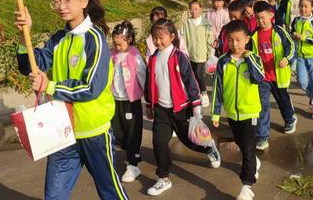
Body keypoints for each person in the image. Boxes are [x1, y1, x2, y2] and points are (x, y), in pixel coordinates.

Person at [15, 0, 129, 200]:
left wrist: (50, 86)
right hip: (62, 133)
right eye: (57, 1)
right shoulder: (58, 39)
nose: (61, 7)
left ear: (84, 2)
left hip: (94, 133)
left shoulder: (94, 39)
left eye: (68, 0)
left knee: (110, 193)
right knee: (54, 196)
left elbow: (91, 87)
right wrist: (23, 34)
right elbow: (31, 65)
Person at [145, 18, 221, 196]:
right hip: (161, 110)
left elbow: (190, 80)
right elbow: (150, 83)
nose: (158, 41)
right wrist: (149, 104)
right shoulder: (153, 59)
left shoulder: (179, 57)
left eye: (162, 37)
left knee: (190, 141)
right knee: (158, 142)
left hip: (181, 108)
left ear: (172, 36)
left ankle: (209, 148)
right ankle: (163, 178)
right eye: (155, 37)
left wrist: (196, 104)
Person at [211, 20, 264, 200]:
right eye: (231, 40)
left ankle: (246, 186)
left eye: (239, 40)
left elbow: (258, 78)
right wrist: (216, 112)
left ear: (247, 39)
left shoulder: (253, 58)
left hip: (250, 112)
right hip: (232, 113)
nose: (235, 44)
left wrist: (248, 57)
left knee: (248, 149)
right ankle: (254, 163)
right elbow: (217, 87)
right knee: (242, 145)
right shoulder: (223, 61)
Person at [251, 1, 297, 151]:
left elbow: (291, 47)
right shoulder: (254, 35)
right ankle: (262, 136)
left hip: (279, 76)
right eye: (257, 18)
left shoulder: (280, 32)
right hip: (262, 78)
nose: (260, 21)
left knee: (282, 100)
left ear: (271, 15)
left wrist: (287, 59)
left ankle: (290, 119)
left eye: (263, 17)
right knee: (262, 107)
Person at [111, 21, 146, 183]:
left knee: (133, 133)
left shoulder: (135, 56)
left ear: (129, 40)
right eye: (115, 44)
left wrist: (150, 101)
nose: (117, 47)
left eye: (120, 44)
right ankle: (130, 153)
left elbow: (143, 78)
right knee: (118, 131)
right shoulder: (113, 55)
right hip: (115, 100)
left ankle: (133, 164)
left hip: (131, 101)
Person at [290, 0, 313, 120]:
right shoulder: (296, 21)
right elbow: (292, 32)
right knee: (302, 82)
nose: (303, 9)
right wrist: (293, 35)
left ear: (312, 8)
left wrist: (304, 38)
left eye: (306, 7)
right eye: (301, 6)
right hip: (300, 56)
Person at [181, 0, 214, 107]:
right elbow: (182, 37)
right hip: (190, 54)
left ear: (200, 9)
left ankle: (204, 94)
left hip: (202, 54)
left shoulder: (206, 23)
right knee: (193, 74)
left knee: (199, 73)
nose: (194, 11)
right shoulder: (186, 23)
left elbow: (209, 38)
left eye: (196, 9)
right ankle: (196, 93)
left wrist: (210, 54)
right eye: (192, 9)